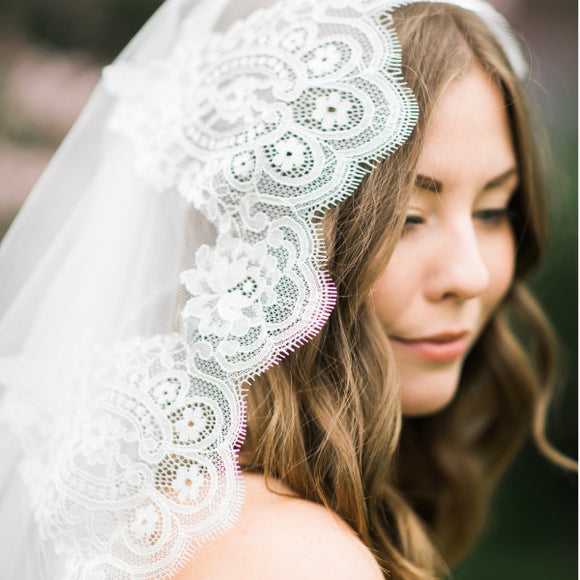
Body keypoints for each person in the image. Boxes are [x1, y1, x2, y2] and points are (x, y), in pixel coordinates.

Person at [0, 1, 575, 579]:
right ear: (259, 242)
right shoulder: (291, 555)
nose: (470, 275)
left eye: (494, 210)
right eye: (407, 219)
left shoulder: (164, 503)